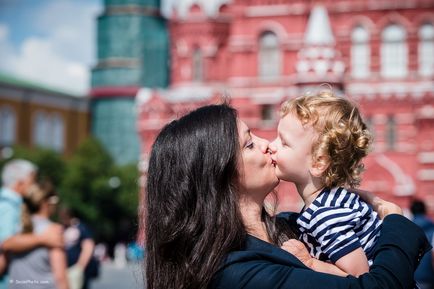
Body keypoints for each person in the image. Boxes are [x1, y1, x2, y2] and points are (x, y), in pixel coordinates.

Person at [145, 103, 430, 289]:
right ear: (217, 174)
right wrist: (394, 218)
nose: (268, 145)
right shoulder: (238, 274)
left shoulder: (291, 226)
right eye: (248, 144)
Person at [268, 91, 381, 276]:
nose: (271, 145)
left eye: (284, 143)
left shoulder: (326, 216)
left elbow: (361, 276)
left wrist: (310, 263)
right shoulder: (331, 202)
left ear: (318, 162)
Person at [0, 159, 63, 289]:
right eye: (32, 181)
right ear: (20, 183)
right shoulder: (8, 206)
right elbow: (6, 243)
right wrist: (44, 238)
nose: (34, 186)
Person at [8, 184, 69, 289]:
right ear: (45, 203)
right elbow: (60, 278)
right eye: (55, 200)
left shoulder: (16, 229)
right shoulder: (53, 231)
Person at [59, 207, 97, 289]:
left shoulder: (81, 228)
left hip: (77, 269)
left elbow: (88, 247)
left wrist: (79, 267)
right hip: (65, 268)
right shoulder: (63, 228)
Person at [411, 199, 434, 289]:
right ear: (425, 210)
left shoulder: (405, 229)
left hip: (410, 278)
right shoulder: (432, 228)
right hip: (429, 277)